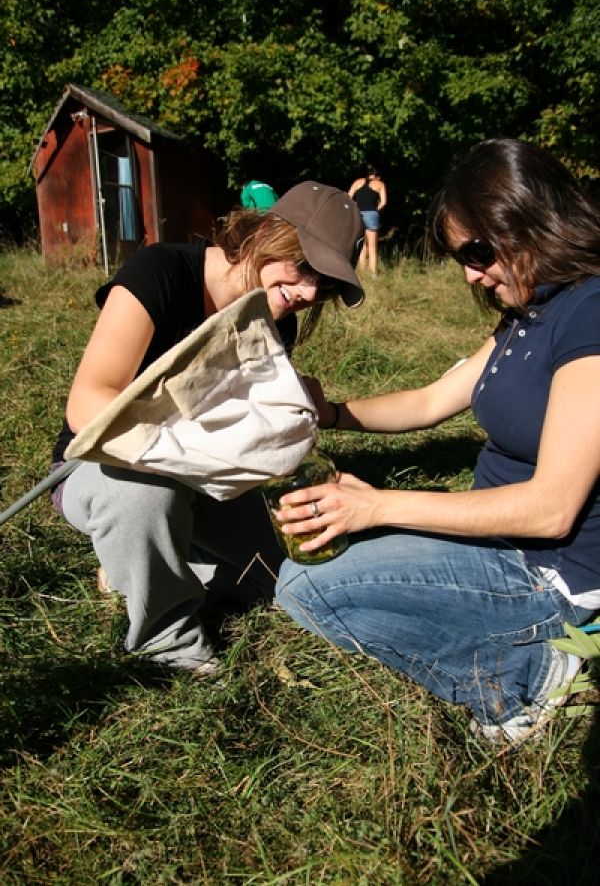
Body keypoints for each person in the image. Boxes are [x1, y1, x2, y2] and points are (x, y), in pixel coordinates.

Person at [274, 138, 600, 743]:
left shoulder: (592, 314)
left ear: (530, 219)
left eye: (478, 251)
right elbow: (430, 401)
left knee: (307, 585)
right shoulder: (531, 311)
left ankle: (532, 672)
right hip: (498, 544)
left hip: (549, 576)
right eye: (461, 258)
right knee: (314, 560)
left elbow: (552, 509)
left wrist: (378, 505)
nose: (473, 274)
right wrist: (331, 413)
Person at [50, 181, 365, 672]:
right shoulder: (161, 271)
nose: (308, 293)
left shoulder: (273, 320)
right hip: (106, 468)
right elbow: (88, 405)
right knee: (146, 496)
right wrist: (197, 451)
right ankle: (168, 642)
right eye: (305, 268)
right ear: (270, 233)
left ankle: (135, 567)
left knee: (280, 579)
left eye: (323, 286)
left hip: (205, 475)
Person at [348, 164, 387, 277]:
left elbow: (349, 196)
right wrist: (376, 209)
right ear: (378, 176)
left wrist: (356, 207)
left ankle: (362, 272)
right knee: (372, 246)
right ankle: (373, 274)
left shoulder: (357, 182)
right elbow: (384, 202)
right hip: (372, 214)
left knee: (361, 245)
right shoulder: (380, 184)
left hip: (358, 214)